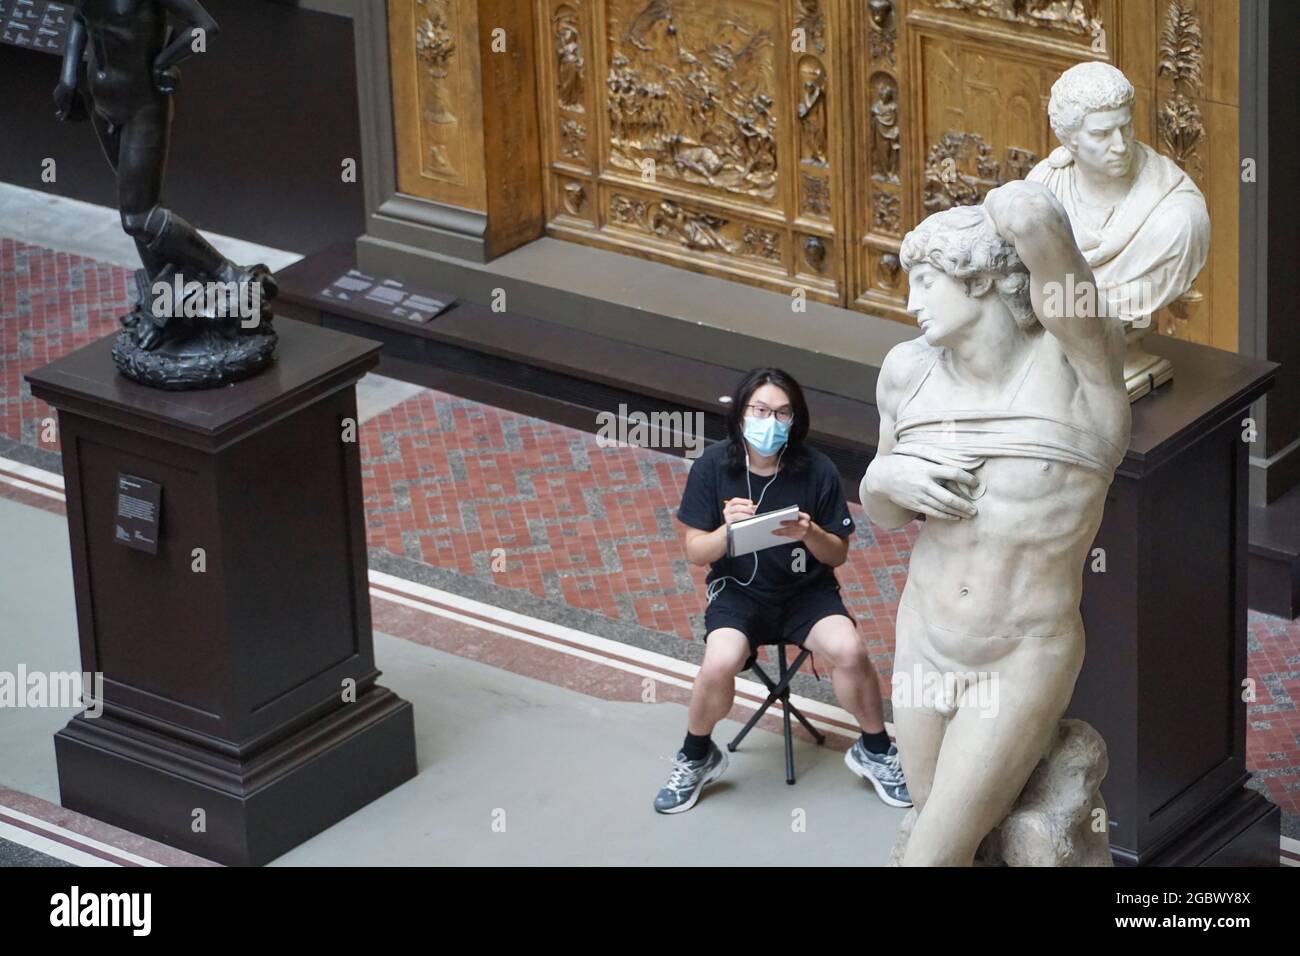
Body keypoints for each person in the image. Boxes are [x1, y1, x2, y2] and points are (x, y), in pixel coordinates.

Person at [859, 182, 1130, 865]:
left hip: (1019, 655)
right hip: (923, 638)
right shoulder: (907, 375)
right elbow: (884, 510)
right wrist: (884, 478)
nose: (910, 302)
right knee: (960, 840)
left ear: (979, 279)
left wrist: (1007, 208)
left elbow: (1036, 224)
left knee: (931, 856)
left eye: (924, 281)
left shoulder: (1080, 377)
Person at [654, 368, 910, 814]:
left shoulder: (818, 470)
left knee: (849, 649)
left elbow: (837, 556)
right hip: (738, 593)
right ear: (740, 414)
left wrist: (810, 533)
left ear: (795, 420)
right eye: (760, 410)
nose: (770, 421)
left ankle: (874, 748)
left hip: (806, 594)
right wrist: (728, 530)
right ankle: (696, 756)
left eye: (782, 413)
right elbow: (696, 552)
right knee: (719, 662)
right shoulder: (712, 466)